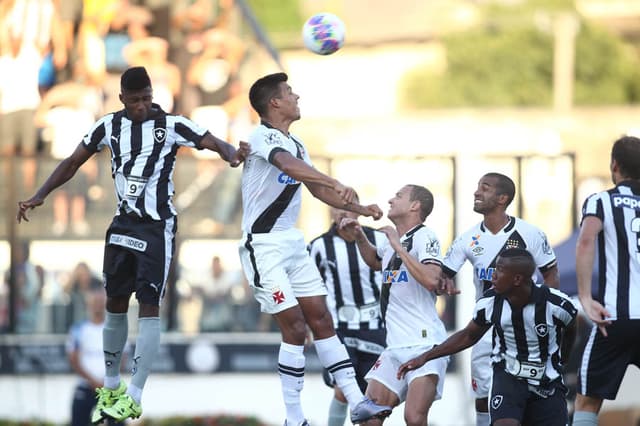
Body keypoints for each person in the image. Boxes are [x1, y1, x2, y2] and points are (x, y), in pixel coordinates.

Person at [17, 66, 249, 423]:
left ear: (152, 95)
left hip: (157, 227)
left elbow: (212, 141)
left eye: (147, 99)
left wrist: (232, 154)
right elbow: (73, 161)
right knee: (114, 303)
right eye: (135, 100)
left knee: (150, 306)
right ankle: (111, 387)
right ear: (122, 98)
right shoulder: (108, 126)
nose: (142, 106)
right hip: (123, 224)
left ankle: (135, 394)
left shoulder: (171, 125)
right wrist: (40, 194)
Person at [237, 72, 391, 426]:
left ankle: (357, 401)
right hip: (263, 246)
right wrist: (334, 179)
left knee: (321, 319)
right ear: (274, 102)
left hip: (291, 242)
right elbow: (288, 166)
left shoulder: (299, 144)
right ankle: (294, 417)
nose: (296, 96)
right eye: (289, 92)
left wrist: (360, 209)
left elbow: (316, 190)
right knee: (294, 328)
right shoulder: (262, 136)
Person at [399, 248, 578, 426]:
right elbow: (468, 336)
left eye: (499, 270)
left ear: (517, 279)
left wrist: (564, 358)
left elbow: (571, 328)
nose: (493, 275)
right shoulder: (490, 303)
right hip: (509, 378)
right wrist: (424, 357)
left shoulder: (556, 305)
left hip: (547, 382)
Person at [441, 172, 559, 426]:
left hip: (524, 328)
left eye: (485, 187)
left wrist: (542, 313)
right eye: (477, 186)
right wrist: (445, 282)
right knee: (483, 397)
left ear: (502, 198)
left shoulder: (530, 233)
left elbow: (550, 274)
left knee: (530, 392)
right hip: (485, 329)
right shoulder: (468, 239)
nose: (476, 192)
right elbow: (442, 274)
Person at [340, 184, 449, 426]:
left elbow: (432, 279)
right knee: (367, 416)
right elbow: (377, 262)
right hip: (394, 347)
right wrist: (359, 237)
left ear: (414, 205)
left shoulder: (425, 236)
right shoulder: (390, 240)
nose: (390, 199)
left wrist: (398, 247)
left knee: (414, 418)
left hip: (424, 344)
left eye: (398, 196)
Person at [572, 135, 640, 426]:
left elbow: (586, 242)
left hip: (615, 317)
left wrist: (586, 298)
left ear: (614, 166)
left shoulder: (602, 201)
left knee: (588, 398)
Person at [308, 198, 387, 426]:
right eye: (335, 207)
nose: (341, 211)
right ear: (330, 212)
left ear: (358, 211)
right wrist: (306, 326)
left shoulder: (379, 239)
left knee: (373, 394)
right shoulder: (318, 247)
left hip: (375, 328)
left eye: (347, 207)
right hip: (338, 329)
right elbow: (307, 290)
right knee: (343, 389)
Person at [66, 285, 125, 426]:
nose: (98, 305)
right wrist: (93, 382)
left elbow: (122, 358)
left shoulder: (117, 328)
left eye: (101, 301)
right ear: (88, 303)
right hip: (85, 388)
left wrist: (107, 381)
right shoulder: (79, 329)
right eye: (95, 301)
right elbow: (73, 359)